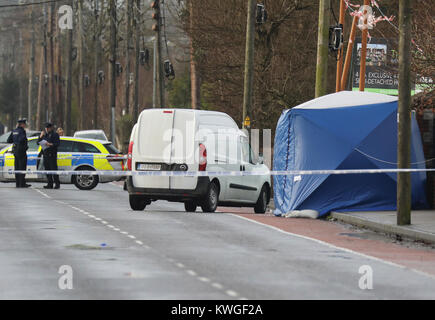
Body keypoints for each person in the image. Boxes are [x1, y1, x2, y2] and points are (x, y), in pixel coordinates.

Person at [7, 119, 31, 188]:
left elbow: (9, 140)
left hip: (15, 151)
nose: (25, 125)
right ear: (22, 124)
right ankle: (22, 184)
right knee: (22, 167)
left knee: (17, 167)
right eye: (24, 124)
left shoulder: (14, 131)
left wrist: (15, 141)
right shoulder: (22, 131)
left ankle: (18, 183)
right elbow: (22, 139)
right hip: (21, 151)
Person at [38, 123, 60, 189]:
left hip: (52, 155)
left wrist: (50, 144)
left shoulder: (55, 135)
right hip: (45, 154)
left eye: (48, 128)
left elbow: (57, 144)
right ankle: (49, 184)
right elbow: (37, 142)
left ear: (51, 128)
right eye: (46, 128)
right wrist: (40, 136)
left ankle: (57, 184)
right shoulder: (45, 135)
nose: (46, 129)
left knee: (54, 170)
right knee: (47, 170)